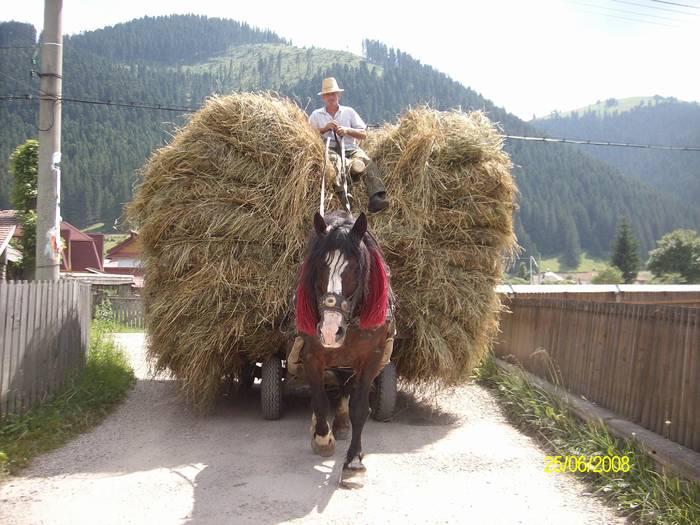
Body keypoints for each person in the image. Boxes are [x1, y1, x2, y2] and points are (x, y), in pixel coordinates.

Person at [308, 77, 389, 213]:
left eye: (333, 94)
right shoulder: (316, 115)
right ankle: (344, 194)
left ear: (338, 95)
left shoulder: (349, 112)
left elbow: (363, 133)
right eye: (328, 95)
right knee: (335, 162)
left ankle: (377, 196)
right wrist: (324, 129)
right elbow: (307, 134)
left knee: (367, 161)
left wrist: (347, 130)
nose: (331, 97)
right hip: (329, 148)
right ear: (323, 98)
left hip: (350, 148)